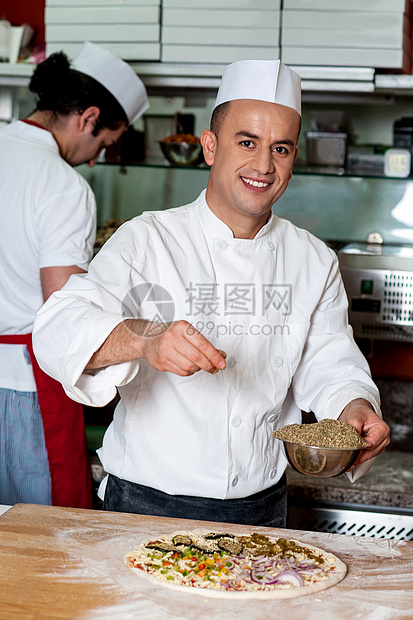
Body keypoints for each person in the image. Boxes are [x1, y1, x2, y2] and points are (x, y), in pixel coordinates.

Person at [32, 59, 390, 526]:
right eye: (247, 142)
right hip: (146, 506)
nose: (263, 165)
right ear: (210, 146)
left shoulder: (313, 259)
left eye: (280, 148)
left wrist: (356, 406)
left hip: (262, 508)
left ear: (294, 157)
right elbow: (57, 326)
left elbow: (331, 362)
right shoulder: (149, 239)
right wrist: (145, 340)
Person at [0, 41, 149, 509]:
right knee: (48, 538)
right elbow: (62, 314)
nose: (92, 159)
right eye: (102, 144)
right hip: (31, 383)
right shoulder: (64, 186)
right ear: (87, 118)